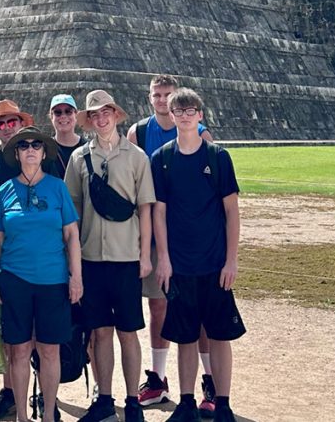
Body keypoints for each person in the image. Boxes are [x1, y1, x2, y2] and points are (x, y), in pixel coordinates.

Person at [152, 89, 244, 422]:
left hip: (215, 263)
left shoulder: (218, 157)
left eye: (191, 109)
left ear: (200, 115)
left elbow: (232, 212)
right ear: (172, 116)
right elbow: (158, 213)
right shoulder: (162, 158)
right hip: (180, 264)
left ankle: (223, 402)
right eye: (179, 110)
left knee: (220, 335)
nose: (185, 115)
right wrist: (163, 257)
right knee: (185, 336)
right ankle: (187, 401)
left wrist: (231, 259)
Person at [65, 91, 154, 422]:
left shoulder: (137, 157)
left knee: (127, 332)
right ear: (89, 120)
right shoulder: (78, 159)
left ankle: (132, 401)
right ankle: (105, 398)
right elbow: (72, 211)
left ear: (116, 115)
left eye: (106, 113)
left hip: (126, 256)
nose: (101, 119)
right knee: (100, 332)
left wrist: (145, 255)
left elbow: (145, 208)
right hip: (91, 259)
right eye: (95, 115)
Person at [128, 75, 214, 415]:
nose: (162, 100)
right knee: (158, 306)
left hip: (189, 234)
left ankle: (209, 380)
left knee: (201, 312)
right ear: (149, 98)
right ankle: (158, 378)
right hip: (153, 229)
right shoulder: (139, 132)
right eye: (156, 94)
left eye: (167, 94)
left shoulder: (199, 132)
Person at [0, 127, 83, 422]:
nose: (30, 149)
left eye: (36, 145)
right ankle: (21, 415)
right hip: (14, 279)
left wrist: (76, 276)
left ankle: (48, 413)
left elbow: (71, 235)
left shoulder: (57, 188)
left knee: (50, 350)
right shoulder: (5, 191)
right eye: (24, 145)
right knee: (17, 350)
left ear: (44, 153)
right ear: (16, 154)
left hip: (52, 279)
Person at [0, 98, 35, 421]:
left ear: (21, 123)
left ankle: (42, 394)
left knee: (40, 333)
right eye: (0, 124)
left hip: (40, 254)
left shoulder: (36, 153)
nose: (6, 129)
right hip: (8, 254)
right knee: (9, 330)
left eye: (11, 122)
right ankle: (11, 391)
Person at [48, 94, 85, 178]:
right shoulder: (45, 150)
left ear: (76, 115)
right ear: (51, 116)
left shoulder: (88, 148)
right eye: (58, 112)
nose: (63, 116)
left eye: (68, 111)